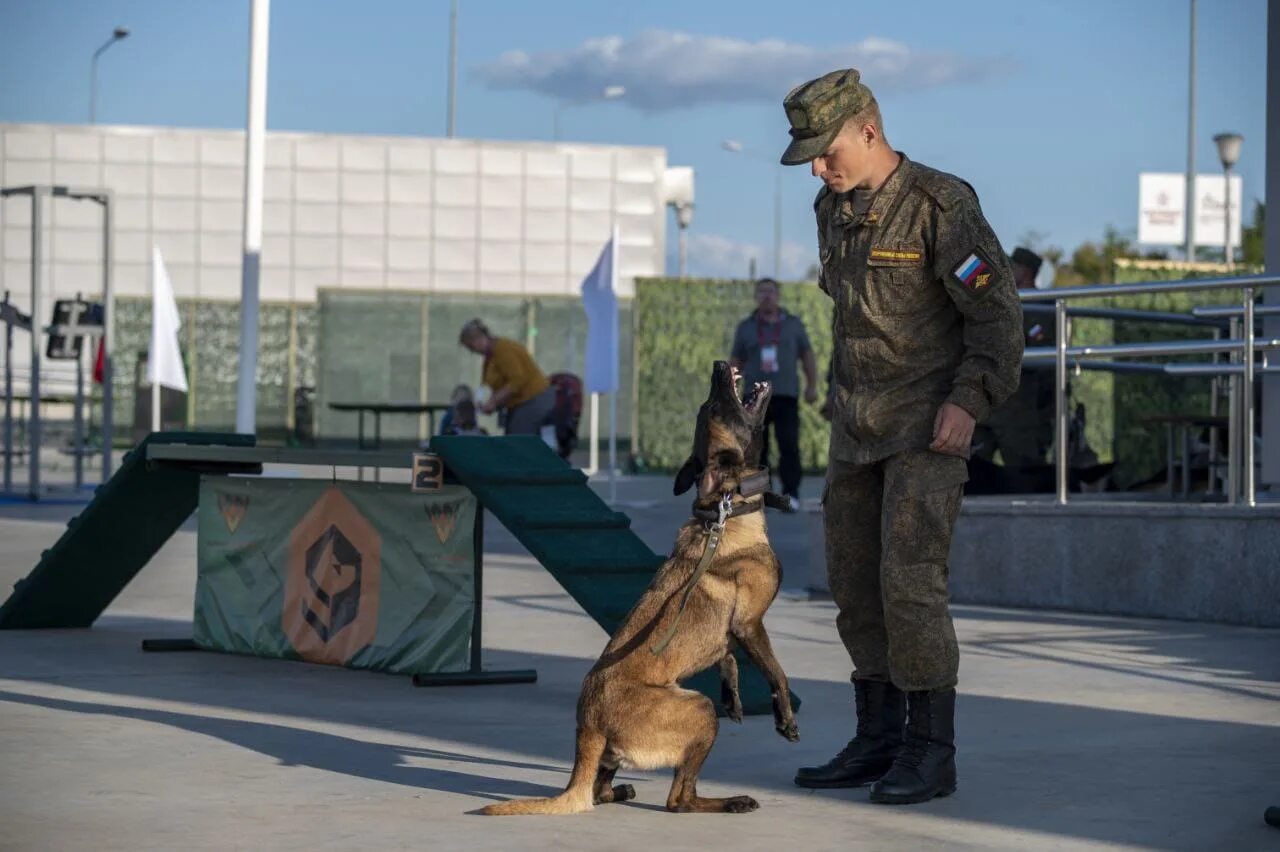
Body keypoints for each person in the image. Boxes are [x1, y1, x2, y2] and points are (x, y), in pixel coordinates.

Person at [780, 68, 1024, 804]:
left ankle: (930, 750)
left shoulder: (939, 206)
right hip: (857, 428)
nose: (820, 170)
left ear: (868, 130)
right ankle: (879, 736)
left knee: (909, 586)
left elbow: (997, 317)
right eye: (812, 160)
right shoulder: (833, 208)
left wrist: (970, 400)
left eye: (826, 152)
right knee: (855, 589)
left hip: (927, 429)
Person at [730, 278, 819, 511]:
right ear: (755, 297)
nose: (766, 296)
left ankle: (791, 495)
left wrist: (812, 386)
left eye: (770, 291)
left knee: (789, 445)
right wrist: (730, 391)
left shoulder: (793, 324)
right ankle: (756, 497)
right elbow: (736, 361)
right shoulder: (746, 327)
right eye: (761, 292)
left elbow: (807, 356)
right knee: (756, 448)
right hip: (754, 397)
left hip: (785, 394)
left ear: (778, 296)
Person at [971, 247, 1055, 468]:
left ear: (1026, 271)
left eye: (1013, 266)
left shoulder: (1042, 305)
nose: (1007, 270)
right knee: (973, 469)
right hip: (987, 405)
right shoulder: (1000, 298)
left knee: (1024, 470)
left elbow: (1042, 357)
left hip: (1019, 408)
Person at [458, 319, 556, 436]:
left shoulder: (503, 349)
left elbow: (518, 380)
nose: (472, 352)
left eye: (471, 347)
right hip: (517, 404)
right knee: (511, 436)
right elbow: (487, 384)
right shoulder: (490, 358)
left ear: (479, 338)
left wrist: (494, 401)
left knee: (518, 440)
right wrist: (483, 401)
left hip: (532, 399)